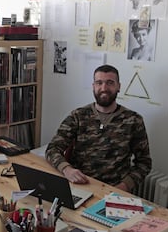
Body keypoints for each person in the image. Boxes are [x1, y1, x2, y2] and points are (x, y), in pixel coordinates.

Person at [45, 64, 152, 192]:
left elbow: (144, 163)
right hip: (80, 185)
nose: (104, 88)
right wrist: (66, 169)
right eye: (99, 83)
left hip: (115, 189)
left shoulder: (134, 120)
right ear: (93, 86)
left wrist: (124, 186)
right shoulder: (78, 116)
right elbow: (52, 149)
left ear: (118, 87)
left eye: (110, 83)